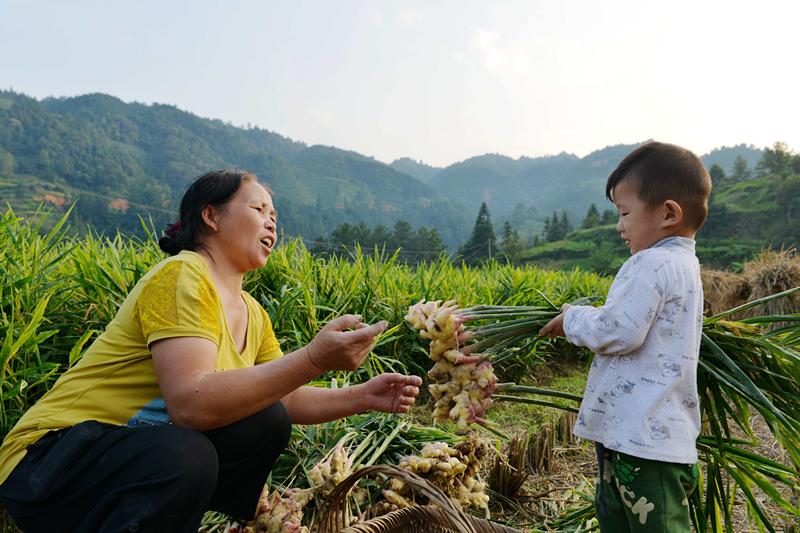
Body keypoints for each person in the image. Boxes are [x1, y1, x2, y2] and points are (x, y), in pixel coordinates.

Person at [0, 169, 422, 532]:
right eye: (258, 210)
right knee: (188, 454)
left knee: (267, 418)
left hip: (123, 457)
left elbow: (284, 396)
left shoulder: (253, 312)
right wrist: (313, 357)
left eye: (275, 216)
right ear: (211, 216)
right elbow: (189, 404)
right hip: (46, 462)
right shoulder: (183, 274)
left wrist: (363, 396)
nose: (272, 223)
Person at [539, 142, 711, 532]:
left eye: (624, 213)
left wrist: (572, 319)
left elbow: (618, 330)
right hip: (639, 438)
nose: (619, 226)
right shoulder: (686, 265)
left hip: (644, 443)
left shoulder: (650, 262)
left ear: (668, 213)